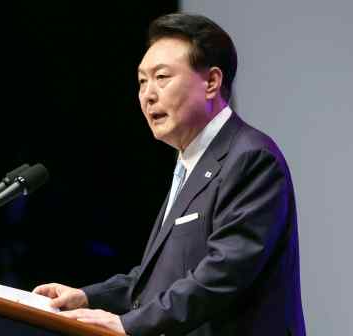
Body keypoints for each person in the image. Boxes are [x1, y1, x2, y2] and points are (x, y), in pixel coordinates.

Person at [34, 13, 305, 336]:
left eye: (161, 77)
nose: (147, 95)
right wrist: (87, 297)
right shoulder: (190, 163)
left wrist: (129, 324)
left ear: (212, 82)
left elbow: (224, 273)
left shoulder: (250, 157)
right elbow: (159, 277)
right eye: (141, 81)